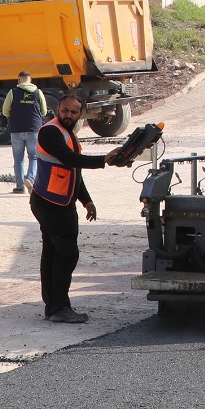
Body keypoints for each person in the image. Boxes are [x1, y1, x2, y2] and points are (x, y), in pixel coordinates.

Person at [30, 94, 129, 323]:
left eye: (74, 112)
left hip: (57, 201)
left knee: (53, 253)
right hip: (51, 203)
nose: (69, 115)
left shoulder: (68, 134)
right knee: (66, 253)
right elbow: (70, 159)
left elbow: (74, 171)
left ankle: (53, 306)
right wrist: (104, 159)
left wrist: (86, 200)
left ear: (80, 114)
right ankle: (59, 307)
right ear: (58, 109)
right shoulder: (50, 131)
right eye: (65, 110)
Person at [4, 71, 48, 194]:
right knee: (34, 157)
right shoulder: (38, 92)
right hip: (34, 129)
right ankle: (30, 179)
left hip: (16, 130)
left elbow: (4, 110)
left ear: (19, 80)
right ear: (30, 80)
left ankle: (19, 186)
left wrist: (13, 115)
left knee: (18, 159)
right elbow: (44, 111)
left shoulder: (12, 92)